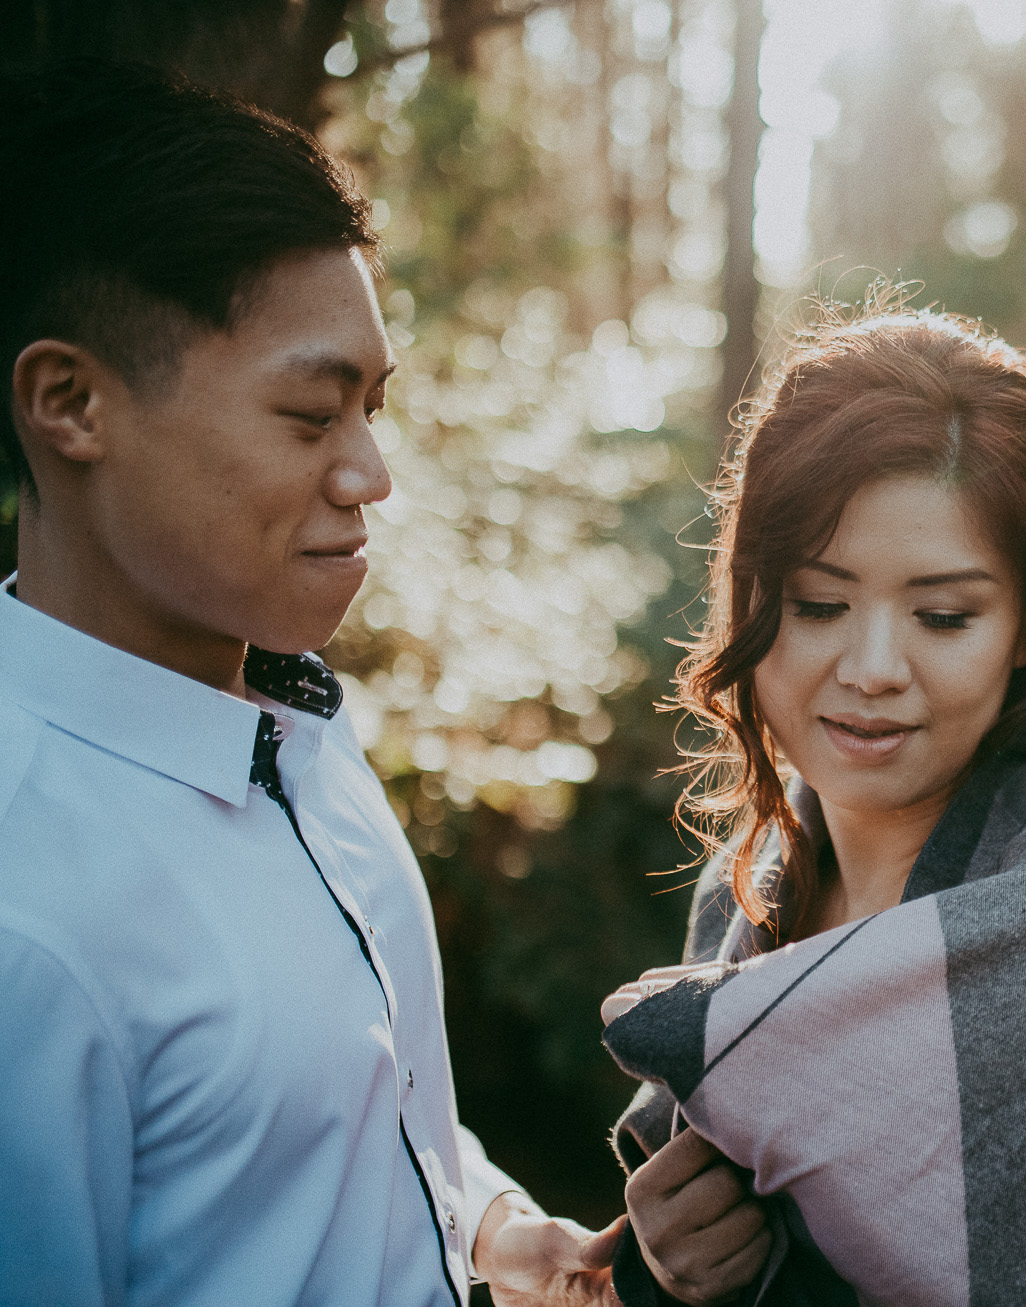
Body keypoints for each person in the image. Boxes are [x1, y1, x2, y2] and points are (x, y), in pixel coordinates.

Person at [0, 61, 621, 1306]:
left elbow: (327, 1111)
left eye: (374, 408)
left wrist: (487, 1223)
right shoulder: (28, 909)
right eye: (309, 415)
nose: (372, 473)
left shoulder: (298, 728)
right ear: (71, 403)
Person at [595, 310, 1026, 1305]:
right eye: (816, 602)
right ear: (751, 601)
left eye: (943, 615)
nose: (874, 669)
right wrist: (680, 1263)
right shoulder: (743, 887)